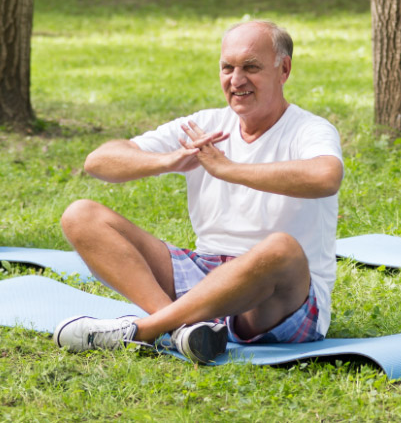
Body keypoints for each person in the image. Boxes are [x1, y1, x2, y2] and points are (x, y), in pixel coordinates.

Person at [53, 20, 344, 363]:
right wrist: (169, 160)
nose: (236, 80)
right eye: (227, 67)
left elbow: (326, 176)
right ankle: (183, 331)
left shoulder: (309, 129)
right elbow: (99, 161)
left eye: (251, 67)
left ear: (284, 69)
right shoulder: (204, 126)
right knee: (80, 215)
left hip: (280, 297)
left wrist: (229, 170)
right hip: (204, 273)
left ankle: (143, 331)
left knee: (281, 249)